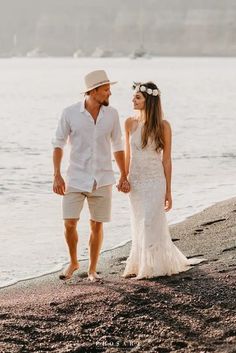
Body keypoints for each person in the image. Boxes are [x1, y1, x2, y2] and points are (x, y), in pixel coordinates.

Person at [52, 69, 130, 282]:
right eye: (106, 90)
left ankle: (92, 269)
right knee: (69, 223)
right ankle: (74, 261)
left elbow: (118, 145)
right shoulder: (69, 113)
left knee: (97, 224)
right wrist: (57, 175)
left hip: (103, 178)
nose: (109, 94)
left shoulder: (112, 114)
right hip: (75, 177)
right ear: (93, 91)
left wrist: (124, 174)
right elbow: (58, 144)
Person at [123, 81, 204, 279]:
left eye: (137, 97)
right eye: (133, 96)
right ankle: (140, 263)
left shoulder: (163, 126)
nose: (132, 100)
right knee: (139, 221)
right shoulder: (128, 123)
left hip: (155, 180)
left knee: (151, 221)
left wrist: (168, 191)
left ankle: (151, 268)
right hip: (136, 180)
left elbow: (166, 160)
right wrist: (123, 177)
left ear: (149, 100)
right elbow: (127, 154)